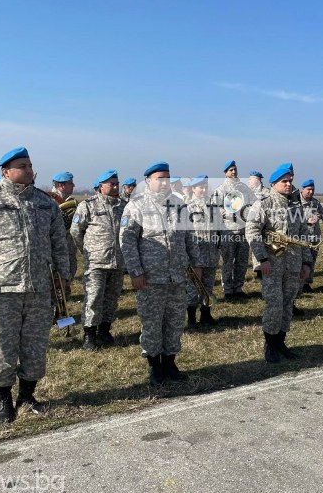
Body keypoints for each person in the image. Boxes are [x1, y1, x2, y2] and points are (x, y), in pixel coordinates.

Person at [0, 147, 71, 424]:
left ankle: (27, 395)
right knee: (3, 347)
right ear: (6, 172)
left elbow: (60, 241)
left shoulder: (45, 202)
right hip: (3, 288)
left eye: (30, 165)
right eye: (22, 165)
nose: (28, 169)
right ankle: (3, 401)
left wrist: (63, 276)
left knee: (35, 346)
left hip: (39, 287)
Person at [119, 161, 203, 386]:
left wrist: (196, 264)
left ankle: (170, 362)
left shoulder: (179, 204)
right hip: (150, 277)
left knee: (175, 321)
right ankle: (154, 366)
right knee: (152, 322)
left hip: (177, 276)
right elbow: (127, 241)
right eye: (159, 178)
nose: (165, 182)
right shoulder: (136, 205)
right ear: (148, 181)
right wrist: (136, 271)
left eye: (167, 177)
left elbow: (189, 237)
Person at [246, 164, 312, 363]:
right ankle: (270, 345)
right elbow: (252, 232)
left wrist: (306, 262)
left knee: (287, 303)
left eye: (291, 180)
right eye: (284, 181)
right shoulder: (263, 204)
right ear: (273, 183)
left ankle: (281, 342)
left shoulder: (296, 206)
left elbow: (303, 235)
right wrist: (262, 259)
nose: (289, 184)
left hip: (293, 264)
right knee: (274, 304)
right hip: (272, 264)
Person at [70, 169, 127, 350]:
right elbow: (75, 232)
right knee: (94, 298)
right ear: (101, 186)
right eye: (111, 184)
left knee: (111, 298)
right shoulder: (88, 205)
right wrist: (87, 251)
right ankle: (89, 334)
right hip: (96, 261)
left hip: (118, 261)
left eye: (117, 183)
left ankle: (105, 330)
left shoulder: (124, 206)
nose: (115, 186)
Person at [211, 160, 255, 300]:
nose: (234, 172)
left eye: (235, 169)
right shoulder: (221, 190)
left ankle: (238, 288)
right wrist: (228, 214)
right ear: (225, 173)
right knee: (228, 261)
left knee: (242, 261)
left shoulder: (243, 188)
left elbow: (253, 203)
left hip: (243, 229)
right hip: (228, 229)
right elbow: (215, 208)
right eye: (230, 170)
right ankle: (228, 290)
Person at [185, 175, 220, 328]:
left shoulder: (213, 207)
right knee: (193, 288)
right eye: (200, 187)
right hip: (196, 255)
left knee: (209, 286)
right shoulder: (187, 207)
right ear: (193, 189)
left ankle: (206, 314)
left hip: (211, 253)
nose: (204, 190)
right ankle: (191, 318)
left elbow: (219, 227)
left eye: (205, 187)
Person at [49, 172, 78, 296]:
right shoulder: (48, 201)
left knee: (68, 278)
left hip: (69, 249)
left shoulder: (71, 202)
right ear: (61, 185)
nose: (74, 185)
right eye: (70, 183)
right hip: (54, 252)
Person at [298, 178, 323, 292]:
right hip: (302, 237)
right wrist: (306, 220)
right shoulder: (296, 202)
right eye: (308, 189)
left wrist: (319, 216)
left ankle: (307, 283)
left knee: (312, 260)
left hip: (315, 236)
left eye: (312, 190)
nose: (311, 192)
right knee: (302, 260)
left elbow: (322, 214)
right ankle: (299, 283)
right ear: (303, 189)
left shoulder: (315, 202)